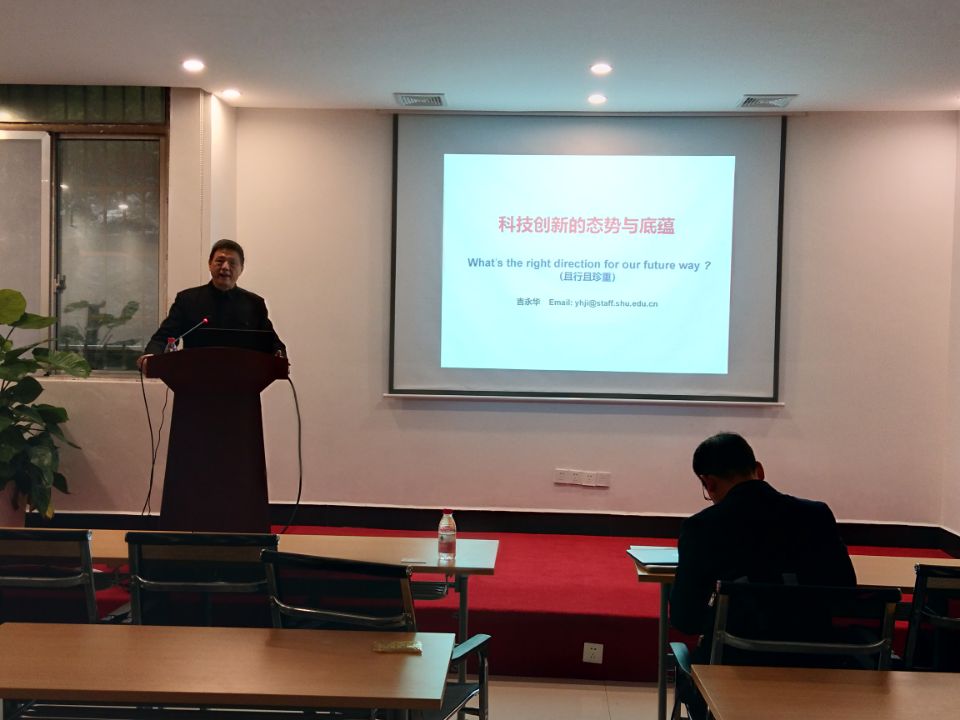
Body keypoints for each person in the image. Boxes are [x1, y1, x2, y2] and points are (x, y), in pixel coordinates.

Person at [670, 432, 856, 645]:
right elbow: (845, 593)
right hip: (814, 654)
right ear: (759, 470)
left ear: (709, 483)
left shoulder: (701, 527)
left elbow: (685, 620)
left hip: (732, 657)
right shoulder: (816, 514)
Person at [138, 239, 285, 369]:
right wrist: (151, 355)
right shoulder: (188, 300)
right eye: (220, 261)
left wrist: (279, 355)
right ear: (209, 264)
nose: (225, 267)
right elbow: (165, 338)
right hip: (193, 380)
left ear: (241, 269)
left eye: (232, 263)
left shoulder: (254, 304)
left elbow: (271, 342)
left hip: (243, 381)